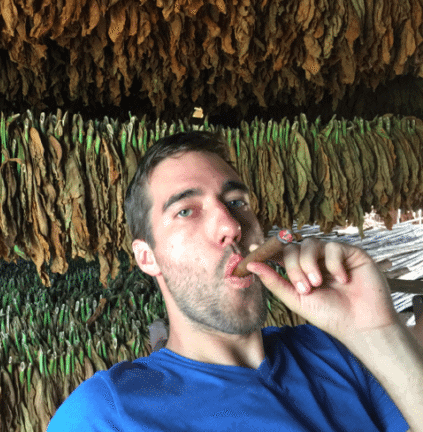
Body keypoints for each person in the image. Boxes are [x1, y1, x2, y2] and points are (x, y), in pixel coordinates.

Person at [47, 131, 423, 431]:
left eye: (237, 202)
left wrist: (378, 329)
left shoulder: (343, 355)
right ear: (148, 257)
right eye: (186, 211)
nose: (230, 226)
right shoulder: (104, 415)